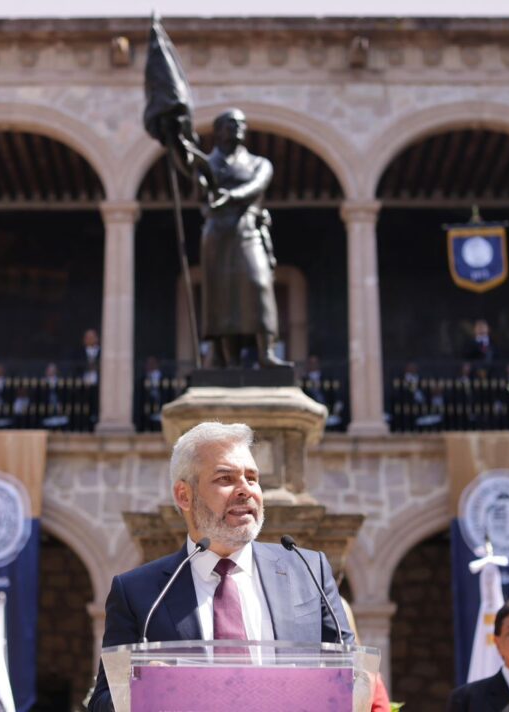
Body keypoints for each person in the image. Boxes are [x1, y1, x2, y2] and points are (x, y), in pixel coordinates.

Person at [86, 421, 353, 712]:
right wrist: (142, 692)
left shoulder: (309, 570)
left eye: (252, 478)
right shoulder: (138, 593)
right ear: (184, 495)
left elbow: (353, 676)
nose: (245, 490)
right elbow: (102, 701)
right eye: (226, 479)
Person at [177, 109, 289, 368]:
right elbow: (200, 195)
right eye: (231, 123)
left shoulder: (259, 163)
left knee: (259, 283)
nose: (238, 127)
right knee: (222, 295)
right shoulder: (208, 164)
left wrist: (231, 196)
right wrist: (197, 177)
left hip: (248, 229)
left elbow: (257, 186)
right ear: (218, 131)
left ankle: (266, 352)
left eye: (241, 123)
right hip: (217, 234)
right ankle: (230, 358)